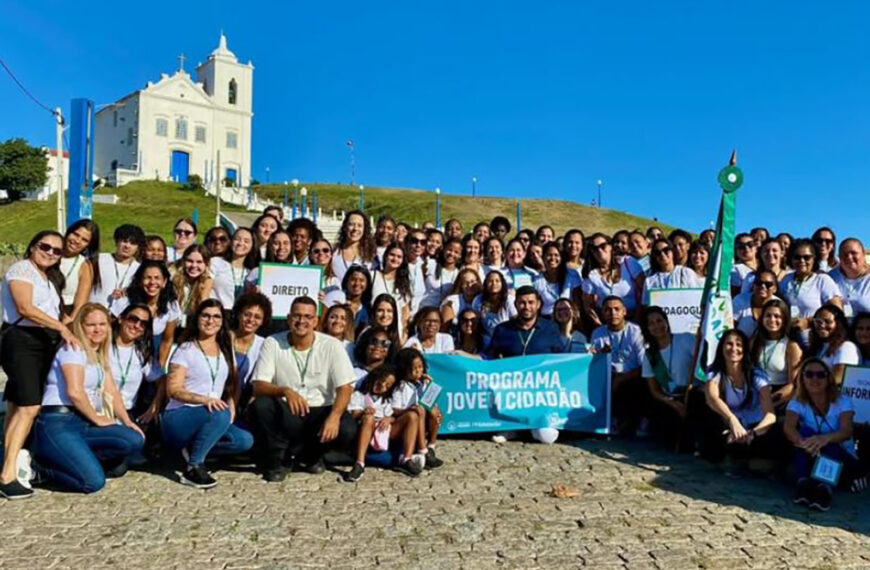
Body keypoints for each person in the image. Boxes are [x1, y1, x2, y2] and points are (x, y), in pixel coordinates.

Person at [30, 303, 144, 494]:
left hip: (83, 422)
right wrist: (97, 418)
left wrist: (127, 421)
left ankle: (73, 458)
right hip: (59, 422)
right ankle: (39, 468)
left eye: (102, 324)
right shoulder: (72, 350)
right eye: (91, 325)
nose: (98, 329)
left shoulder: (98, 354)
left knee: (133, 439)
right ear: (81, 327)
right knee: (93, 482)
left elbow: (112, 391)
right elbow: (75, 392)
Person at [247, 297, 358, 482]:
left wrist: (334, 417)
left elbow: (345, 387)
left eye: (308, 317)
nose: (301, 321)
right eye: (297, 316)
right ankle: (279, 459)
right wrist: (285, 391)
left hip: (320, 409)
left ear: (316, 321)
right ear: (289, 318)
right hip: (289, 411)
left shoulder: (332, 345)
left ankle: (311, 456)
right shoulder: (273, 342)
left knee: (347, 428)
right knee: (261, 405)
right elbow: (258, 385)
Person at [0, 230, 72, 499]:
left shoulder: (48, 278)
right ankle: (6, 476)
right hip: (22, 340)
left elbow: (52, 312)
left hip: (42, 343)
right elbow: (25, 308)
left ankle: (7, 462)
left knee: (17, 405)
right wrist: (61, 328)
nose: (50, 253)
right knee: (29, 407)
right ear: (32, 246)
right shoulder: (22, 269)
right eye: (45, 247)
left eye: (57, 251)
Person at [161, 299, 254, 488]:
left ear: (222, 321)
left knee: (243, 440)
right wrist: (204, 400)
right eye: (205, 316)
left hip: (212, 413)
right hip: (180, 414)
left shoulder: (225, 349)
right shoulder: (185, 350)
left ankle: (193, 450)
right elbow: (173, 390)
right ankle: (193, 467)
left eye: (216, 317)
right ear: (197, 319)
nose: (211, 321)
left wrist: (232, 405)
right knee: (219, 412)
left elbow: (231, 384)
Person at [486, 286, 566, 443]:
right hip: (511, 393)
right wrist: (464, 356)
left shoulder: (550, 328)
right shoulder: (502, 329)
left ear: (538, 304)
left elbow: (561, 359)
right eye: (522, 302)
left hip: (541, 394)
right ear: (515, 304)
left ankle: (530, 428)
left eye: (531, 302)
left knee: (546, 437)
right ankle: (514, 428)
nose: (526, 306)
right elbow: (488, 357)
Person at [784, 358, 864, 511]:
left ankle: (824, 489)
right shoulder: (797, 401)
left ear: (828, 379)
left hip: (841, 454)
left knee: (831, 444)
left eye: (820, 375)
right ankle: (803, 484)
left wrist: (824, 439)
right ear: (802, 378)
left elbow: (846, 431)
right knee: (805, 433)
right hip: (811, 451)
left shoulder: (842, 401)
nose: (815, 379)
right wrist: (804, 443)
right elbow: (789, 427)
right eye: (809, 374)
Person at [111, 261, 181, 424]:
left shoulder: (170, 305)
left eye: (157, 278)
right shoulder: (125, 301)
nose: (152, 282)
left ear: (164, 282)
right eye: (147, 278)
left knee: (152, 392)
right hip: (125, 348)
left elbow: (167, 339)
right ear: (140, 280)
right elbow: (110, 327)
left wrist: (160, 365)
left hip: (152, 353)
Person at [699, 330, 780, 467]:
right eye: (729, 344)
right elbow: (712, 398)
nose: (734, 349)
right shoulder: (715, 372)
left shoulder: (756, 374)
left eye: (739, 345)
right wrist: (732, 420)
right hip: (729, 423)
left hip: (755, 427)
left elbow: (770, 415)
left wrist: (752, 434)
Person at [342, 365, 423, 482]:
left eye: (388, 386)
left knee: (412, 416)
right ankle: (359, 463)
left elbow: (393, 416)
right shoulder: (359, 395)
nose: (383, 387)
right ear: (374, 378)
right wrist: (363, 412)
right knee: (369, 418)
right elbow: (353, 414)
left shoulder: (386, 400)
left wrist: (389, 419)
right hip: (366, 429)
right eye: (381, 381)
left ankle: (406, 459)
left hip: (383, 430)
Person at [639, 306, 695, 447]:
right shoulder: (650, 355)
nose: (657, 326)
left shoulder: (686, 339)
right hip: (670, 398)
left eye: (659, 321)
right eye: (651, 323)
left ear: (666, 321)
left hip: (692, 393)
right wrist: (674, 404)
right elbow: (654, 390)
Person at [590, 296, 647, 434]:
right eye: (608, 310)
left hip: (632, 374)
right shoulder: (598, 333)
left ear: (624, 312)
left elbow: (644, 365)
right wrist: (600, 356)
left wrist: (621, 378)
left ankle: (638, 421)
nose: (613, 313)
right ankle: (611, 421)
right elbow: (593, 363)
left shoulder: (636, 331)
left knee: (634, 384)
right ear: (602, 313)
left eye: (617, 309)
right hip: (608, 375)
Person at [780, 239, 842, 345]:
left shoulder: (822, 280)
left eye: (807, 257)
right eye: (797, 257)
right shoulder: (786, 280)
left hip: (816, 342)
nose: (802, 261)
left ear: (814, 259)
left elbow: (837, 312)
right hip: (789, 340)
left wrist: (809, 322)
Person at [392, 348, 443, 466]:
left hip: (422, 419)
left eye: (420, 367)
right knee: (418, 410)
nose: (418, 371)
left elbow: (429, 403)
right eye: (414, 368)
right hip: (407, 421)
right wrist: (409, 409)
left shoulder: (422, 383)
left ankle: (431, 446)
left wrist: (430, 386)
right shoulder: (401, 387)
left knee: (434, 410)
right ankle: (422, 449)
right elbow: (395, 410)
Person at [749, 299, 802, 408]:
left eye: (777, 316)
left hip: (779, 398)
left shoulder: (791, 346)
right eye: (768, 316)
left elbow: (793, 385)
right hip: (755, 394)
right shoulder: (755, 341)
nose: (772, 320)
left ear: (784, 319)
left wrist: (768, 403)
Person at [582, 233, 642, 318]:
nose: (599, 250)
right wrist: (600, 325)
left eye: (603, 246)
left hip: (635, 317)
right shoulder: (591, 275)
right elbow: (588, 307)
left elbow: (643, 291)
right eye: (594, 248)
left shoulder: (629, 262)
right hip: (607, 321)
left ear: (610, 246)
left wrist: (637, 319)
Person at [109, 303, 154, 415]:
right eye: (133, 319)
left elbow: (162, 380)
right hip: (100, 412)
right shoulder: (104, 346)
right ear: (120, 319)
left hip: (128, 412)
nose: (137, 326)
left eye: (143, 324)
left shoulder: (142, 354)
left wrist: (154, 408)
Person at [232, 292, 271, 413]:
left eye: (257, 317)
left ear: (262, 321)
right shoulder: (223, 339)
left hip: (246, 404)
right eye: (247, 314)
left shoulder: (264, 345)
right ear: (239, 314)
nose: (251, 320)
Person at [90, 224, 144, 309]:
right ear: (116, 242)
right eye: (124, 241)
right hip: (94, 310)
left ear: (138, 247)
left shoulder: (140, 269)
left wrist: (127, 292)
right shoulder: (99, 259)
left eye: (133, 243)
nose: (127, 246)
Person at [59, 219, 100, 321]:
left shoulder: (84, 265)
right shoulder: (49, 254)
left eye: (84, 240)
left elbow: (80, 304)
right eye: (76, 234)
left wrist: (69, 324)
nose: (77, 241)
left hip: (65, 315)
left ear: (89, 245)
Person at [809, 304, 859, 384]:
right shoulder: (820, 347)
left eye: (828, 322)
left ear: (839, 324)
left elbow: (837, 380)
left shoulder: (846, 347)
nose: (822, 325)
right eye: (818, 322)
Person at [371, 243, 412, 339]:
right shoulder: (373, 276)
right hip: (375, 329)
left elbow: (405, 314)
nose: (395, 259)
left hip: (396, 333)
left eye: (399, 257)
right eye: (392, 255)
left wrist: (404, 337)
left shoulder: (404, 283)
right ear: (386, 256)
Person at [172, 244, 213, 328]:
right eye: (190, 261)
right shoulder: (173, 276)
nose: (194, 266)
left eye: (199, 262)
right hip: (172, 322)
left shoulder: (207, 280)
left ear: (206, 264)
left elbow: (203, 303)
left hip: (192, 323)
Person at [829, 238, 870, 319]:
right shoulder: (830, 278)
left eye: (854, 253)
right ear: (839, 257)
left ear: (863, 254)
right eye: (844, 254)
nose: (849, 257)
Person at [733, 269, 781, 337]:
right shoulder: (740, 300)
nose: (763, 286)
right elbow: (730, 328)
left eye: (768, 284)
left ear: (775, 289)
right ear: (753, 285)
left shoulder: (779, 305)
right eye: (759, 282)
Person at [534, 243, 577, 317]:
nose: (552, 258)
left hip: (568, 317)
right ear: (543, 257)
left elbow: (577, 302)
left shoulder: (570, 276)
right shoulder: (537, 280)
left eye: (556, 255)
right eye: (549, 255)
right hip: (546, 318)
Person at [474, 270, 516, 346]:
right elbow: (476, 322)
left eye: (497, 281)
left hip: (507, 338)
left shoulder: (509, 300)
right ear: (486, 283)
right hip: (486, 339)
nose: (494, 284)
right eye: (490, 281)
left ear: (502, 283)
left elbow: (516, 321)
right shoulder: (478, 300)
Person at [332, 210, 376, 282]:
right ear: (345, 227)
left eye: (359, 225)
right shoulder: (333, 252)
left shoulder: (371, 255)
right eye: (351, 224)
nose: (355, 228)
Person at [222, 227, 260, 302]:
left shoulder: (252, 273)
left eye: (246, 241)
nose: (240, 243)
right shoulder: (216, 262)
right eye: (237, 239)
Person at [422, 238, 462, 308]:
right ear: (444, 249)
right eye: (449, 250)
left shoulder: (458, 274)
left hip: (442, 310)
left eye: (456, 252)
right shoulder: (431, 264)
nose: (451, 254)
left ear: (460, 256)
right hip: (424, 307)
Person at [404, 228, 430, 314]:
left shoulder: (424, 265)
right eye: (414, 241)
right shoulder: (398, 263)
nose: (418, 245)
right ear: (406, 243)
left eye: (423, 242)